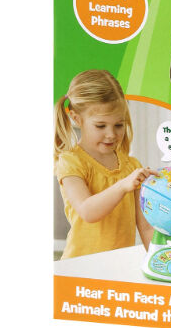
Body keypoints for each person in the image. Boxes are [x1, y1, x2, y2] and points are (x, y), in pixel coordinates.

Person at [54, 70, 154, 258]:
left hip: (118, 265)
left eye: (119, 125)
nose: (111, 134)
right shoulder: (71, 162)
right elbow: (87, 211)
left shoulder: (132, 166)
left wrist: (161, 261)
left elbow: (146, 227)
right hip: (80, 266)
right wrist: (123, 185)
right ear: (76, 118)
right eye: (101, 126)